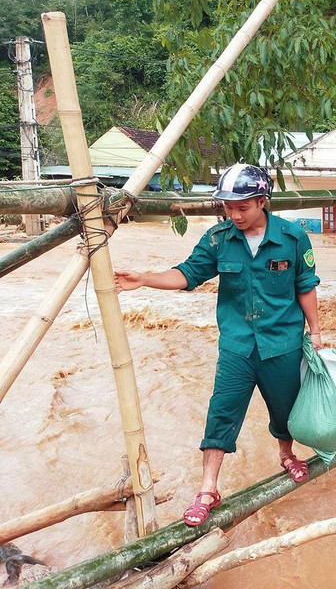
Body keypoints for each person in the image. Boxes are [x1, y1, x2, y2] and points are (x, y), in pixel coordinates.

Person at [114, 164, 322, 527]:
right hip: (237, 348)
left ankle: (286, 454)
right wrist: (144, 279)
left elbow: (305, 285)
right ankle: (208, 489)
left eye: (242, 207)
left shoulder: (293, 237)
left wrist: (316, 332)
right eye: (228, 207)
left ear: (262, 201)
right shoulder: (218, 238)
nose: (234, 214)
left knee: (286, 410)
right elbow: (187, 274)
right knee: (221, 413)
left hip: (283, 344)